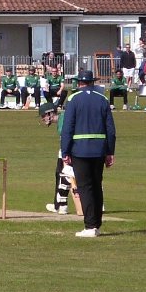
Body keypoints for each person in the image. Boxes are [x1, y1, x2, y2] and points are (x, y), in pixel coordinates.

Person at [58, 70, 115, 238]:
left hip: (80, 150)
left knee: (85, 187)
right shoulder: (102, 99)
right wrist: (110, 151)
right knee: (97, 186)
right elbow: (110, 129)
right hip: (99, 149)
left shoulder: (73, 99)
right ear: (92, 82)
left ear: (79, 83)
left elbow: (67, 128)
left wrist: (65, 151)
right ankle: (96, 224)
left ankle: (90, 226)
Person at [38, 102, 73, 214]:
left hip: (69, 152)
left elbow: (67, 137)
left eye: (43, 115)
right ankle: (59, 205)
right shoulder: (61, 119)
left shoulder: (63, 119)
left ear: (50, 113)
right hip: (67, 151)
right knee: (60, 175)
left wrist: (65, 153)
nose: (43, 118)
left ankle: (61, 206)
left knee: (63, 176)